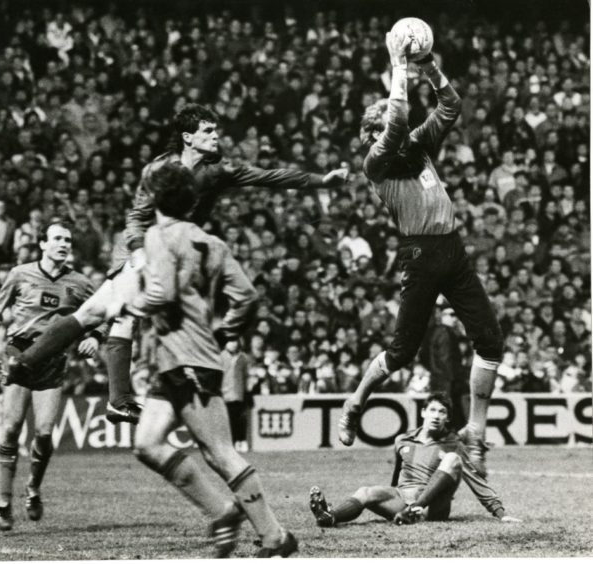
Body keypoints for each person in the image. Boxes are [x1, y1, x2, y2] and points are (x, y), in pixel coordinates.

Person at [9, 103, 348, 426]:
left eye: (216, 130)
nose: (216, 136)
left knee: (99, 314)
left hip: (171, 251)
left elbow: (271, 176)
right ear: (188, 136)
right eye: (208, 130)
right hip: (143, 247)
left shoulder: (219, 171)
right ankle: (114, 395)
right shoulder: (159, 169)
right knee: (106, 316)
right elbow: (136, 217)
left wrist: (322, 181)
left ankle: (30, 365)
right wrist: (140, 253)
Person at [337, 32, 503, 477]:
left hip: (453, 249)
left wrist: (429, 66)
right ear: (371, 138)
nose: (389, 135)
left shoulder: (418, 146)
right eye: (378, 132)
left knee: (491, 340)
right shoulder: (377, 164)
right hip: (421, 254)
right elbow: (396, 123)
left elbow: (450, 106)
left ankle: (475, 434)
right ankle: (356, 402)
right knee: (401, 352)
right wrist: (397, 67)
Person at [125, 163, 297, 558]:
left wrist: (131, 304)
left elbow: (162, 294)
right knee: (147, 444)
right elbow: (248, 296)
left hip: (186, 359)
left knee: (219, 451)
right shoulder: (211, 242)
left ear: (154, 198)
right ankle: (222, 511)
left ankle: (274, 535)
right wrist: (225, 332)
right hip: (182, 358)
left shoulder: (158, 235)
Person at [0, 219, 103, 531]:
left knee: (44, 432)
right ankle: (3, 502)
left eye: (67, 240)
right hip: (20, 355)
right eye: (57, 238)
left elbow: (101, 313)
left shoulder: (81, 283)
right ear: (42, 244)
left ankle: (32, 488)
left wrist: (95, 337)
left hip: (53, 359)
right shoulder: (21, 274)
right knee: (11, 428)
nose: (63, 244)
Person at [310, 393, 521, 527]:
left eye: (442, 412)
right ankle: (329, 517)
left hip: (433, 507)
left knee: (451, 459)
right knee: (366, 491)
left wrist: (500, 514)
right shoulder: (402, 440)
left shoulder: (453, 444)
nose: (436, 415)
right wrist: (391, 496)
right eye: (432, 410)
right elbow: (397, 476)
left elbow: (477, 482)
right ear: (423, 412)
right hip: (402, 499)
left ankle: (415, 510)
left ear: (447, 418)